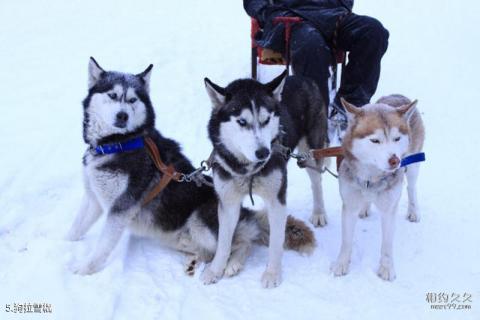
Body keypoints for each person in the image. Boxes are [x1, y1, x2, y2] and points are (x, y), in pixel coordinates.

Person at [244, 0, 389, 126]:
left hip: (333, 15)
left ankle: (349, 107)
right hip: (291, 17)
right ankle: (316, 116)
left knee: (373, 31)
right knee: (311, 45)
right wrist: (270, 13)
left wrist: (341, 6)